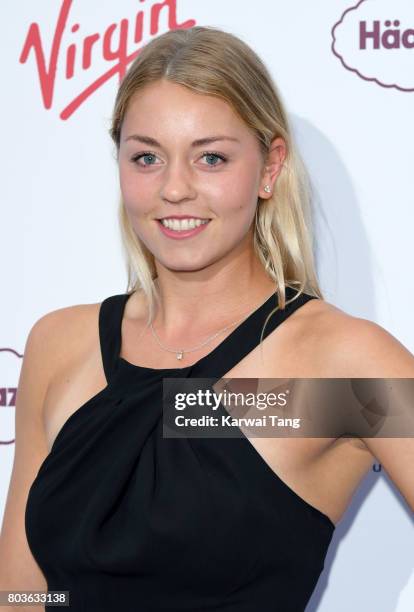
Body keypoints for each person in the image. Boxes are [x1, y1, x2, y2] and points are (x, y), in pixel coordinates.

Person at [1, 25, 413, 612]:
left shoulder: (338, 364)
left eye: (211, 158)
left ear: (270, 167)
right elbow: (20, 593)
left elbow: (202, 413)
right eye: (147, 157)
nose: (174, 188)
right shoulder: (61, 344)